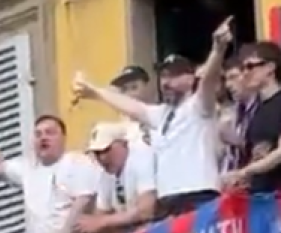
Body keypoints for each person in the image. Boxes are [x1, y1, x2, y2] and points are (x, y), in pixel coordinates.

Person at [72, 17, 234, 218]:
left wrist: (218, 50)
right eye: (163, 76)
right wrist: (95, 92)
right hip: (168, 202)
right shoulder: (162, 114)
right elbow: (131, 106)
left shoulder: (200, 105)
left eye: (174, 75)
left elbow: (208, 81)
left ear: (191, 78)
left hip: (198, 196)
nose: (166, 82)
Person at [0, 114, 98, 233]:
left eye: (50, 133)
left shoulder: (77, 162)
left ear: (63, 138)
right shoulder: (28, 169)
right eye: (38, 134)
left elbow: (84, 200)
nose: (43, 138)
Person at [221, 41, 281, 195]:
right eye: (243, 68)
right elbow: (257, 155)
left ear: (270, 67)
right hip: (259, 196)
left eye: (250, 66)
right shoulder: (256, 111)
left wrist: (244, 172)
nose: (245, 73)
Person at [74, 123, 157, 233]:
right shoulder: (105, 173)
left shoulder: (141, 157)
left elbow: (146, 210)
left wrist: (103, 222)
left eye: (106, 150)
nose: (102, 158)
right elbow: (101, 214)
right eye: (97, 153)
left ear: (124, 144)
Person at [219, 57, 259, 173]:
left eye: (233, 77)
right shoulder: (233, 111)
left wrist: (237, 141)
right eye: (226, 80)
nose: (228, 85)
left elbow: (263, 152)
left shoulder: (261, 108)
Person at [108, 65, 153, 143]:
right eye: (124, 89)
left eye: (134, 87)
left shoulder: (160, 119)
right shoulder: (119, 130)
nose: (129, 94)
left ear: (148, 87)